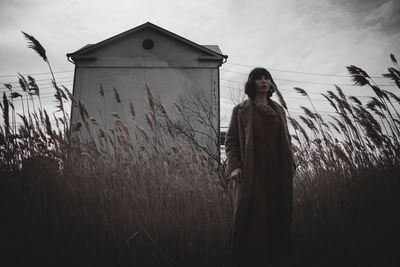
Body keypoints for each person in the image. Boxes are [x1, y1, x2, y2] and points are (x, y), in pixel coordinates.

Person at [224, 68, 296, 266]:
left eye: (267, 78)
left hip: (277, 171)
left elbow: (286, 140)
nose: (264, 82)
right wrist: (235, 166)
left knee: (276, 214)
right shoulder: (241, 110)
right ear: (252, 83)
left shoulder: (279, 110)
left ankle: (273, 259)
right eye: (259, 79)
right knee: (255, 216)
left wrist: (291, 163)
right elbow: (230, 142)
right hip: (252, 173)